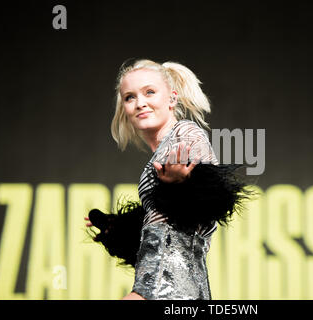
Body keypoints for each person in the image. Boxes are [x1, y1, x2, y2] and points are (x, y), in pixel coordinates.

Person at [85, 59, 254, 300]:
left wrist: (185, 184)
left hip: (168, 288)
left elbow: (210, 204)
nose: (140, 103)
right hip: (160, 284)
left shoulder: (185, 134)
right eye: (129, 97)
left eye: (149, 92)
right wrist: (119, 228)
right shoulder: (165, 148)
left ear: (172, 99)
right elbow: (164, 224)